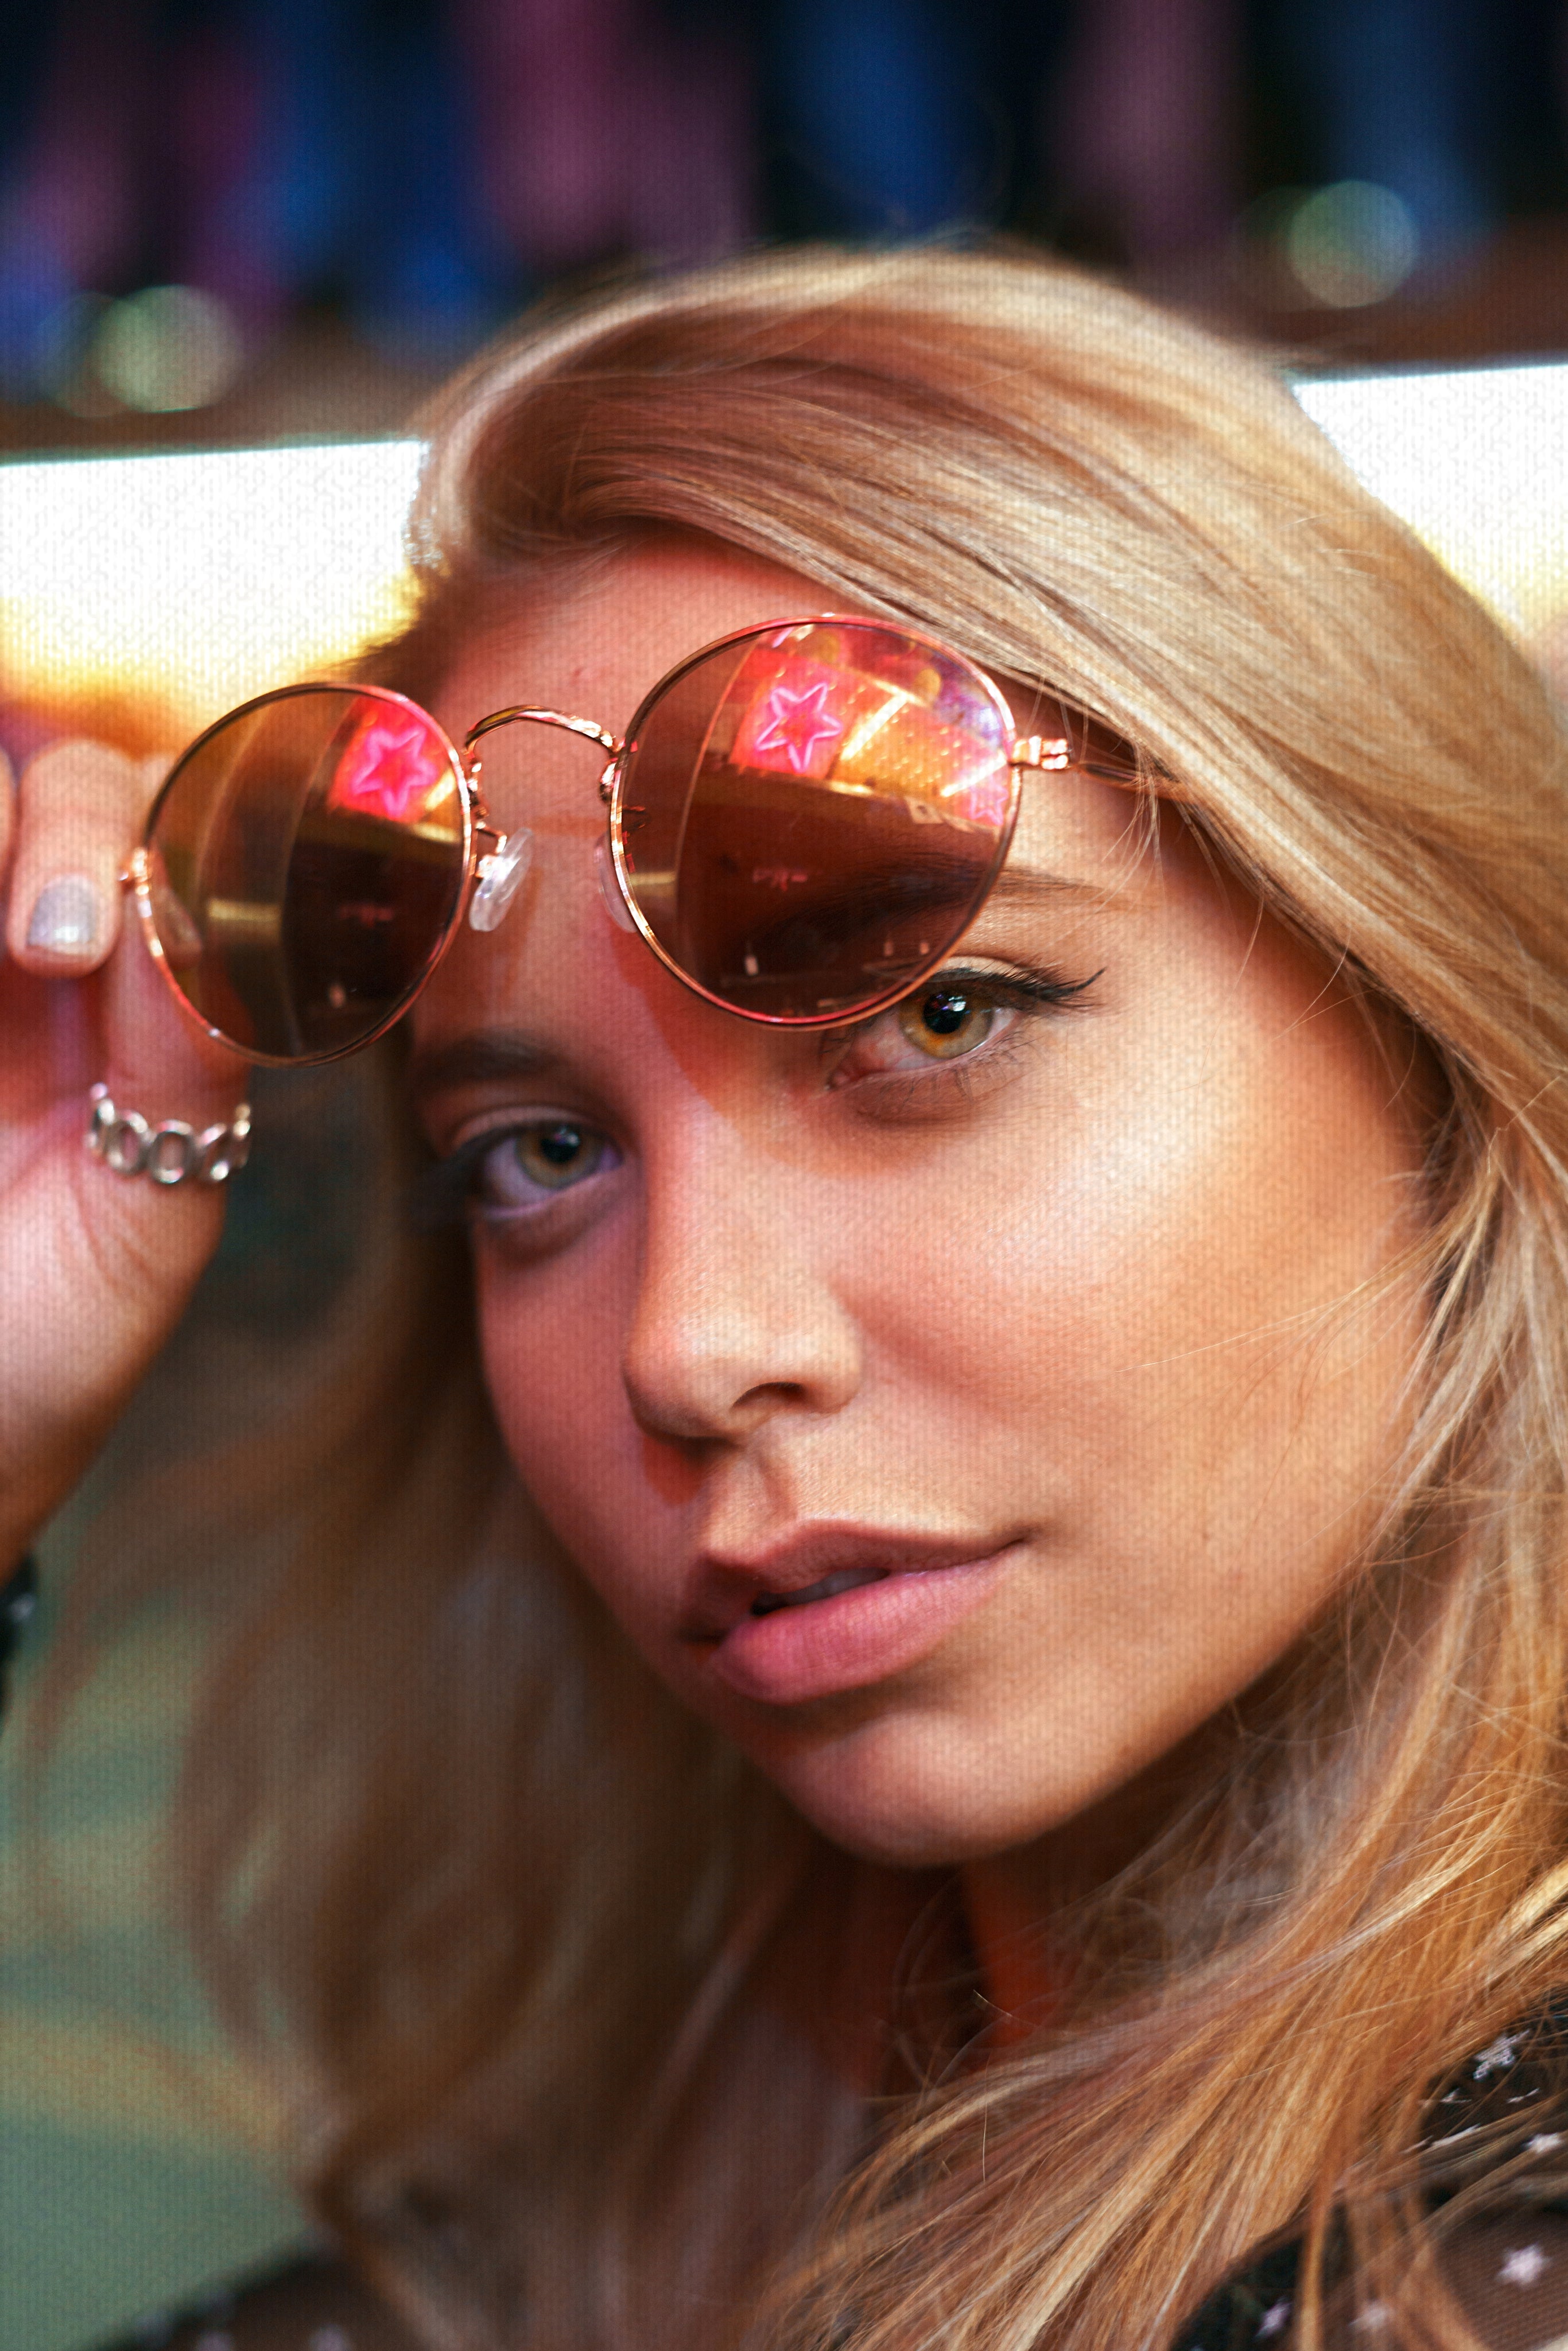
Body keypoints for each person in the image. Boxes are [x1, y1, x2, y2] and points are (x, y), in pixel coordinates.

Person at [5, 246, 1568, 2351]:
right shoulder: (602, 2246)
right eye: (537, 1156)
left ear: (1427, 1022)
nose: (689, 1345)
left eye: (935, 1016)